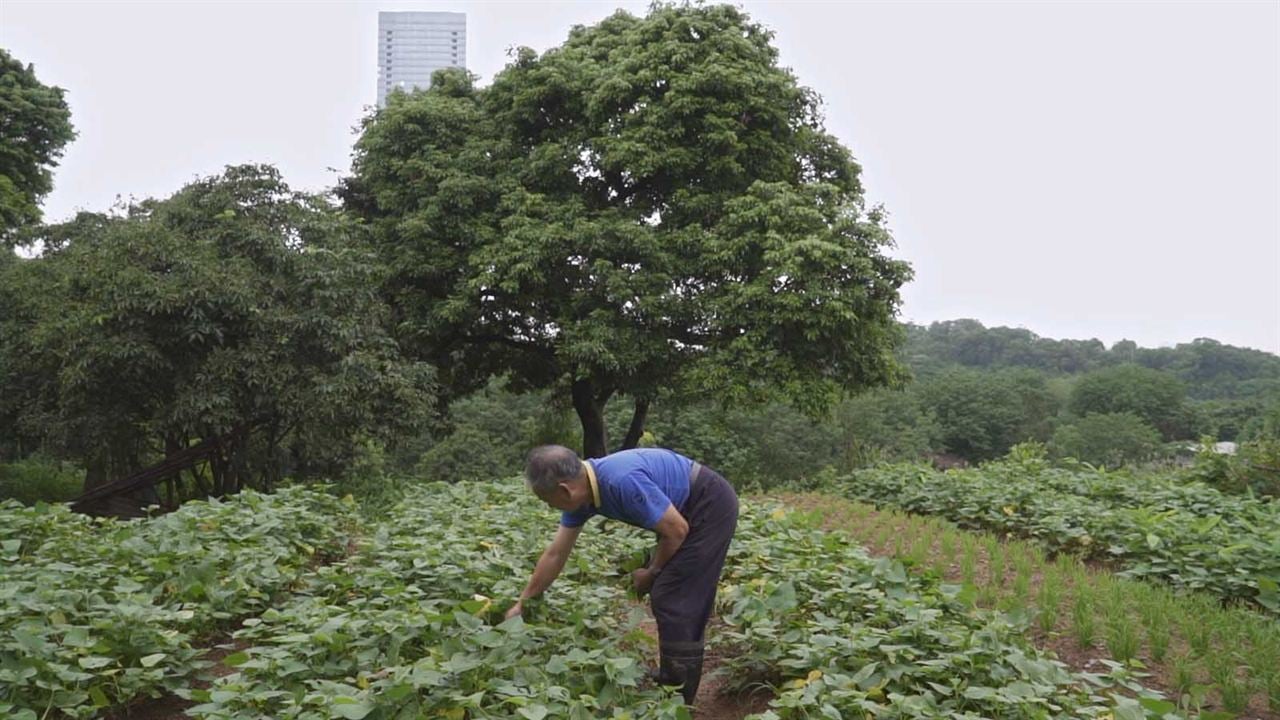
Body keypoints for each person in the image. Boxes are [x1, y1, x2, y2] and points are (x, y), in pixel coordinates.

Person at [507, 445, 739, 708]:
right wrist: (523, 602)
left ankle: (677, 697)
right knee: (670, 590)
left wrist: (651, 573)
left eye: (548, 501)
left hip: (709, 504)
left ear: (564, 490)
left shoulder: (620, 481)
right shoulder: (581, 495)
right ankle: (671, 676)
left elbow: (676, 530)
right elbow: (555, 554)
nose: (551, 508)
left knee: (672, 596)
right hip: (682, 512)